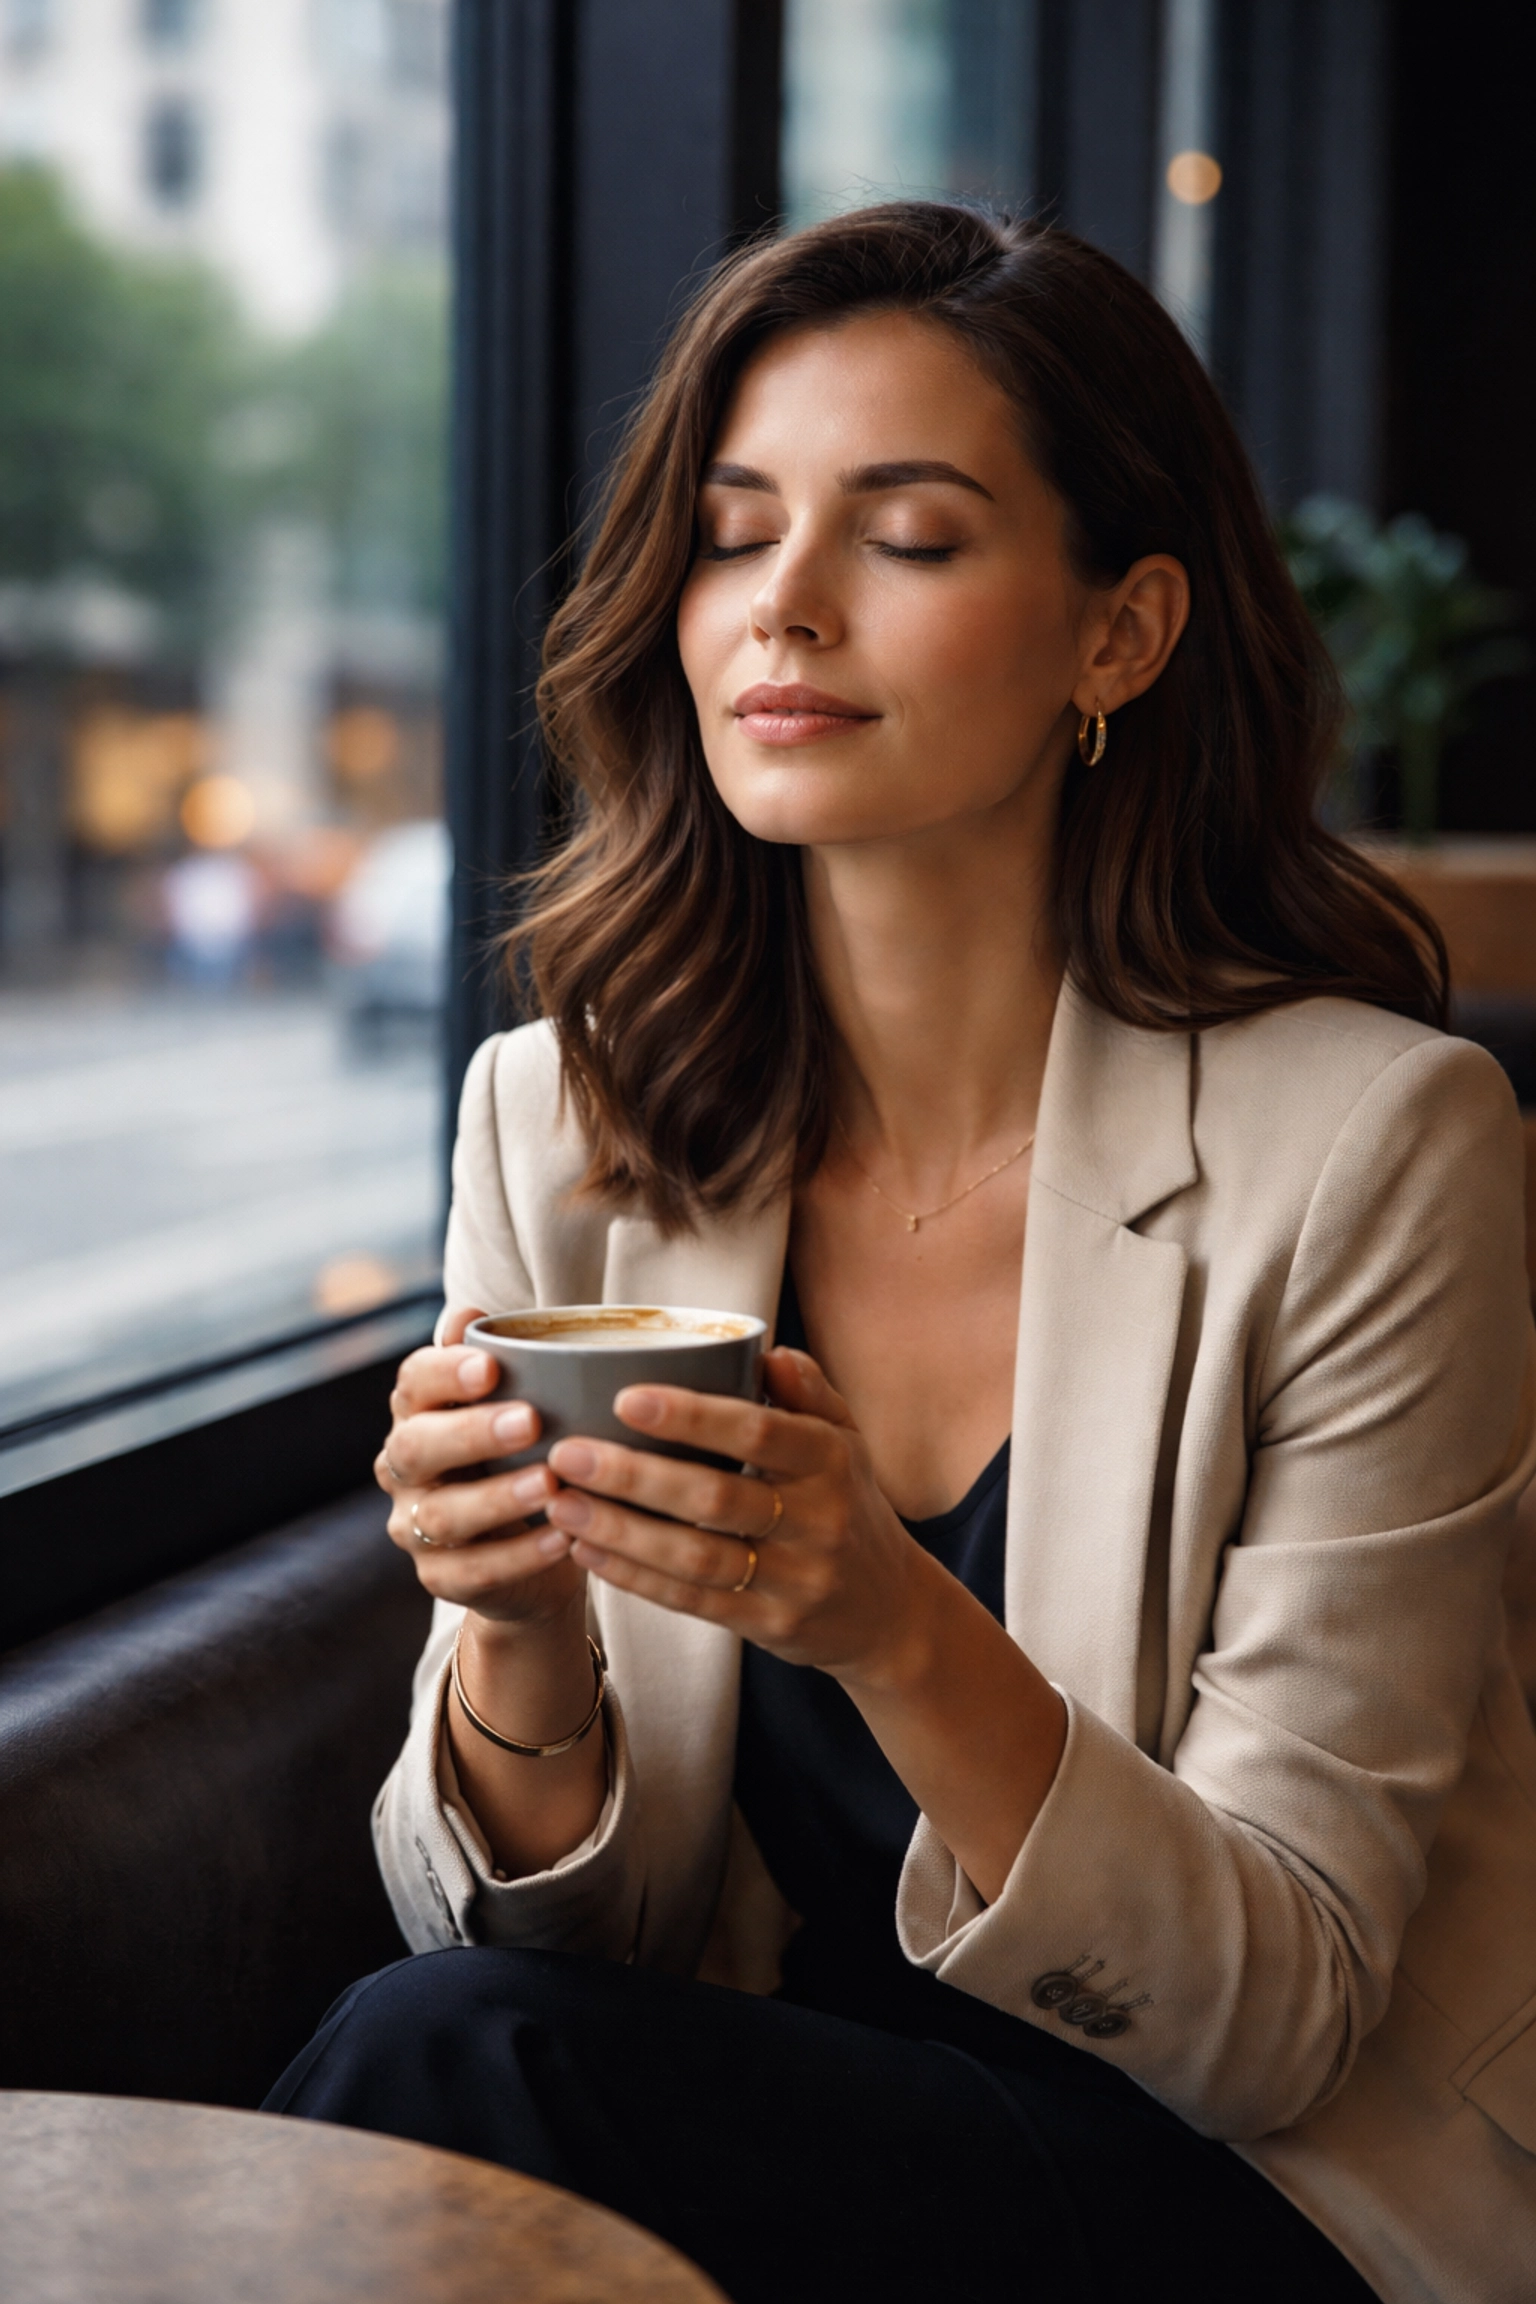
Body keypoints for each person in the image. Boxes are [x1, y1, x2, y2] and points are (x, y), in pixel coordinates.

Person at [265, 206, 1536, 2304]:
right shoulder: (566, 1124)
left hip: (1266, 2203)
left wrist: (881, 1617)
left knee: (448, 2066)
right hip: (808, 2140)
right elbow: (549, 1958)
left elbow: (1274, 2017)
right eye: (734, 530)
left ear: (1119, 635)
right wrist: (514, 1632)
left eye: (911, 540)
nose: (787, 608)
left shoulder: (1377, 1148)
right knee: (461, 2042)